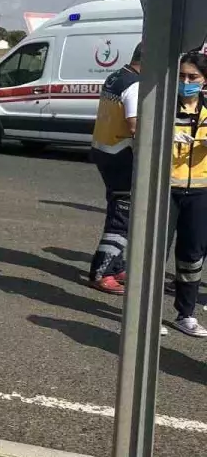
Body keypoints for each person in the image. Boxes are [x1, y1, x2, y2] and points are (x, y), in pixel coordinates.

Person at [88, 42, 142, 294]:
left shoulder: (115, 76)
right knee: (122, 217)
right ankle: (102, 271)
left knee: (118, 208)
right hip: (121, 155)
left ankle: (118, 265)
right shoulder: (135, 85)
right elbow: (135, 125)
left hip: (104, 150)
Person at [167, 51, 207, 337]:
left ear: (204, 80)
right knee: (154, 255)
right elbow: (138, 136)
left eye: (192, 77)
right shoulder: (164, 106)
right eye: (181, 76)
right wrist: (164, 134)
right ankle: (145, 315)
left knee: (192, 256)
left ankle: (186, 314)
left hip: (200, 192)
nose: (186, 81)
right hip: (165, 190)